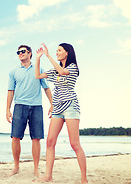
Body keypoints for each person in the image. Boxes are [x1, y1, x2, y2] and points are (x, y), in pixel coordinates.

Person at [34, 42, 88, 183]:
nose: (57, 52)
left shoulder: (73, 67)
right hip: (57, 108)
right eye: (56, 51)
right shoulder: (54, 70)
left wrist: (48, 55)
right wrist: (39, 58)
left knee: (74, 144)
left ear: (67, 53)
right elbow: (38, 76)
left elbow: (63, 72)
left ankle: (84, 179)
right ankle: (48, 176)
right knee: (50, 141)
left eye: (59, 50)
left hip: (70, 106)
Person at [6, 45, 53, 177]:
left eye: (22, 51)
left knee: (36, 138)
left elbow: (46, 88)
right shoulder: (13, 71)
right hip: (19, 106)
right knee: (15, 137)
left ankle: (36, 169)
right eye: (18, 52)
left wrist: (52, 104)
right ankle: (16, 167)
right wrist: (7, 109)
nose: (20, 54)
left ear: (30, 53)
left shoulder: (39, 69)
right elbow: (10, 91)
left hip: (36, 107)